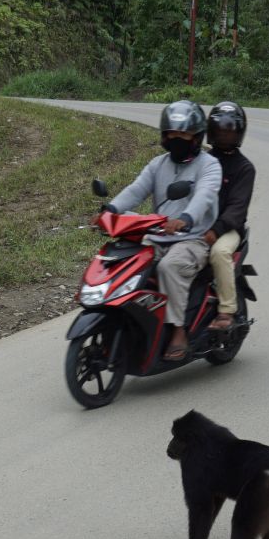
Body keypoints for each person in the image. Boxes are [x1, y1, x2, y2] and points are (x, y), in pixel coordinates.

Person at [97, 100, 222, 360]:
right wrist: (111, 209)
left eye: (183, 134)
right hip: (158, 235)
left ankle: (178, 332)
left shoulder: (209, 165)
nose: (177, 139)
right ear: (164, 136)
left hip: (193, 238)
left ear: (196, 137)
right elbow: (136, 190)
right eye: (171, 134)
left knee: (169, 267)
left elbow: (205, 197)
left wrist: (186, 218)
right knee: (126, 262)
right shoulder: (158, 164)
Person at [203, 101, 255, 331]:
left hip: (228, 229)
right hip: (198, 226)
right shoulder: (201, 160)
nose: (224, 135)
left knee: (219, 253)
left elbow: (237, 208)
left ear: (238, 132)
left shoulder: (244, 168)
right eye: (220, 130)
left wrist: (216, 230)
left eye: (229, 130)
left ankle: (226, 311)